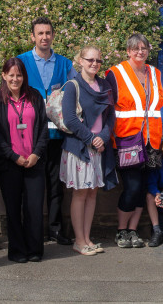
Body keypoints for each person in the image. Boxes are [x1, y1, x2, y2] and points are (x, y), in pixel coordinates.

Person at [16, 17, 73, 246]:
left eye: (48, 33)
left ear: (53, 36)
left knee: (56, 185)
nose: (44, 37)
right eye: (40, 33)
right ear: (32, 36)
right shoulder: (20, 62)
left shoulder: (65, 64)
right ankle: (32, 230)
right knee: (31, 186)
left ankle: (56, 229)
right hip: (29, 136)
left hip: (57, 136)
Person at [106, 32, 163, 249]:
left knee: (143, 188)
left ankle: (133, 230)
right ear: (128, 51)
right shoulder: (115, 73)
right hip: (127, 139)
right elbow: (108, 107)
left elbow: (156, 105)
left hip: (152, 141)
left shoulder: (154, 72)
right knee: (131, 187)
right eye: (135, 49)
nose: (140, 52)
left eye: (144, 48)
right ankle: (121, 231)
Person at [0, 57, 49, 263]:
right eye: (11, 75)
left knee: (34, 209)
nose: (15, 79)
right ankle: (17, 251)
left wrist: (35, 154)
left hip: (34, 162)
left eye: (19, 75)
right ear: (4, 76)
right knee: (13, 209)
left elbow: (43, 130)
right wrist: (14, 157)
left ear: (24, 76)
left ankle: (34, 250)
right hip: (9, 164)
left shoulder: (36, 97)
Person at [60, 45, 117, 256]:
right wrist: (91, 139)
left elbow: (110, 115)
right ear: (80, 61)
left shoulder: (104, 85)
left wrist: (102, 137)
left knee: (93, 193)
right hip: (80, 148)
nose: (94, 64)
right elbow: (70, 119)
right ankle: (79, 240)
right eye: (90, 60)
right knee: (80, 193)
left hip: (98, 148)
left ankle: (87, 237)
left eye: (98, 60)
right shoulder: (73, 86)